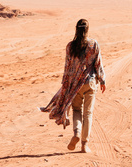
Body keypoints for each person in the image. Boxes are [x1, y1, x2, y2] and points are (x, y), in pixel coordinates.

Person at [40, 19, 106, 153]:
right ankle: (84, 144)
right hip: (90, 82)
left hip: (75, 85)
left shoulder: (70, 46)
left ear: (76, 29)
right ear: (87, 30)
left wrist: (65, 85)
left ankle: (76, 133)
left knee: (77, 110)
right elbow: (98, 64)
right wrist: (102, 80)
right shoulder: (94, 44)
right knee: (88, 113)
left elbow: (67, 67)